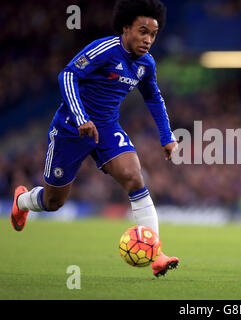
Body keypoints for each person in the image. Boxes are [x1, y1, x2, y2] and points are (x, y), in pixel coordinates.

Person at [10, 0, 180, 278]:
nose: (148, 39)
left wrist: (166, 136)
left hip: (107, 129)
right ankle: (23, 202)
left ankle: (156, 253)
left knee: (135, 178)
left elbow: (153, 98)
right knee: (54, 202)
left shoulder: (146, 64)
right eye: (142, 31)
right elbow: (67, 75)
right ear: (126, 29)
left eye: (153, 34)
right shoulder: (106, 49)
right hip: (70, 128)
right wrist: (80, 118)